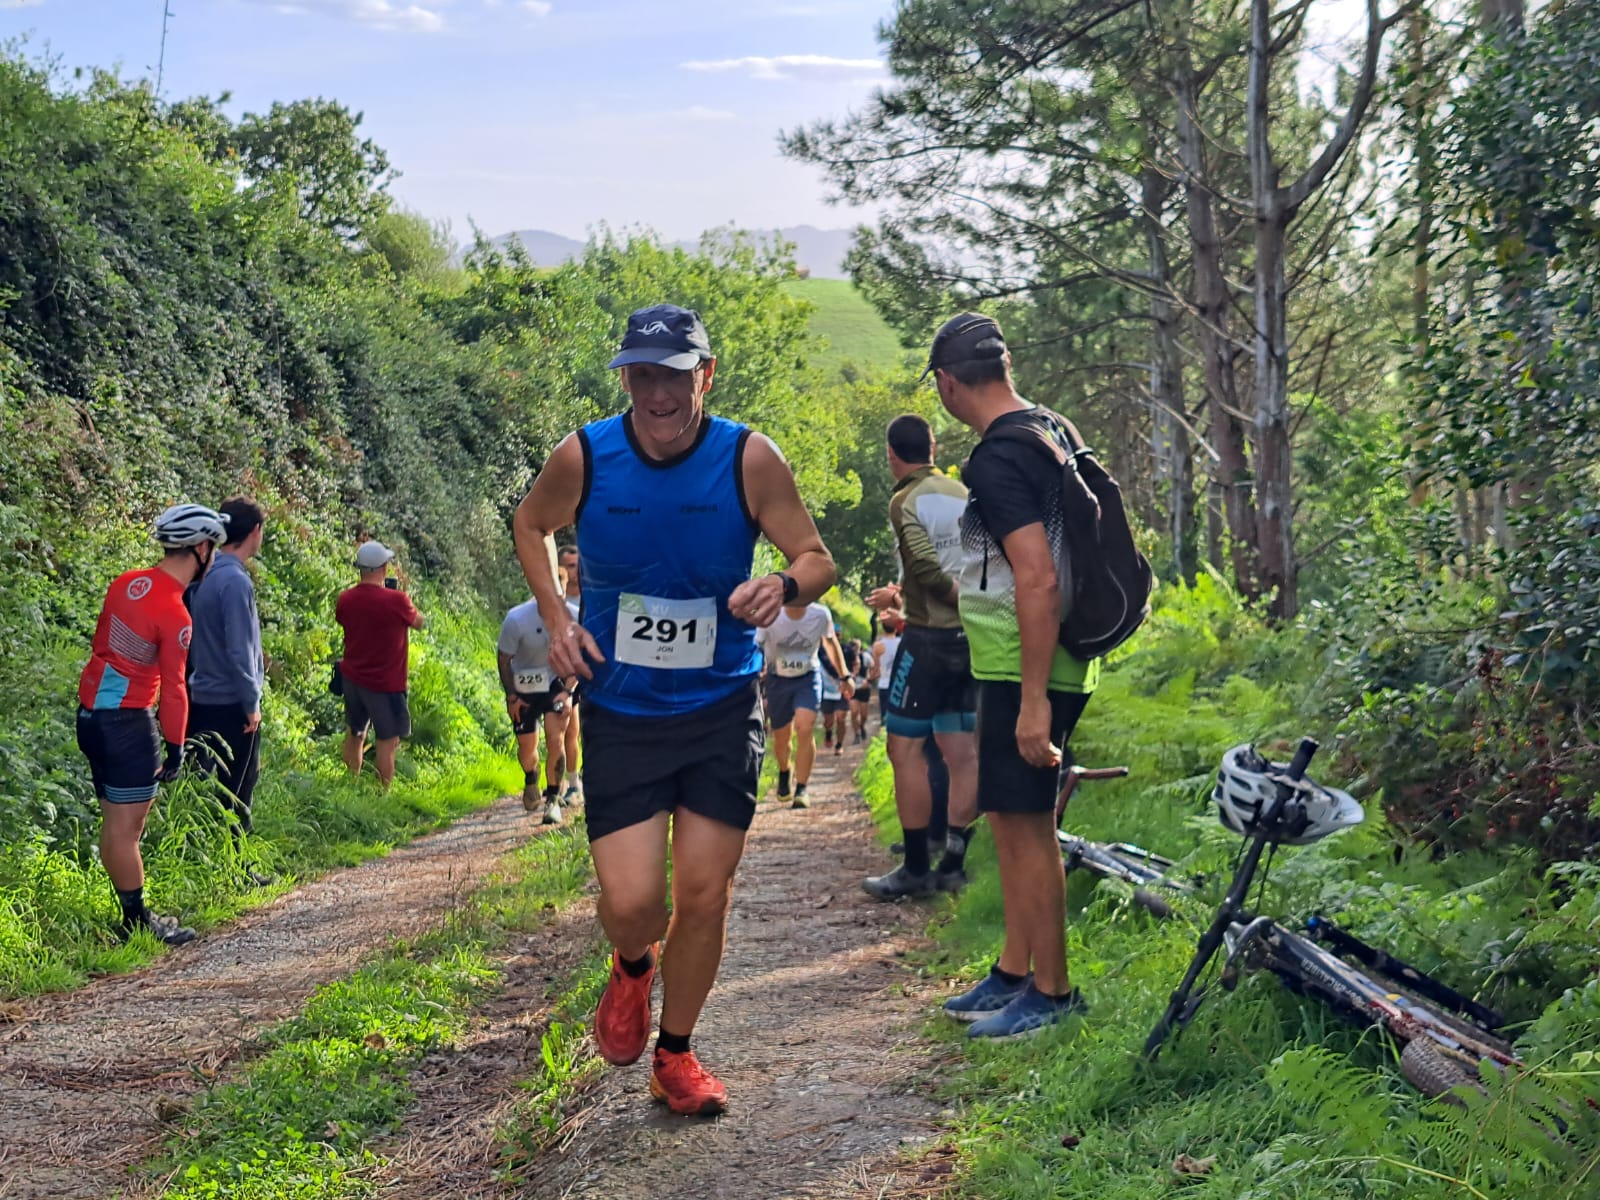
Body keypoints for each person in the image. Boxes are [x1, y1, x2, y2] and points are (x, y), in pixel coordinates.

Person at [511, 303, 837, 1116]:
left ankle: (678, 1053)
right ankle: (630, 967)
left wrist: (784, 584)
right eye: (642, 374)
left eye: (675, 374)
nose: (658, 393)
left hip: (721, 707)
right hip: (620, 710)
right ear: (626, 378)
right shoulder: (585, 454)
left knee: (703, 892)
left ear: (707, 375)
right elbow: (532, 523)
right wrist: (556, 616)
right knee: (632, 906)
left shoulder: (748, 458)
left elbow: (816, 556)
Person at [927, 313, 1101, 1039]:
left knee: (1030, 829)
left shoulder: (998, 458)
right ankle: (1013, 970)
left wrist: (1032, 702)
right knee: (1010, 818)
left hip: (1027, 667)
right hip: (1049, 660)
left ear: (944, 384)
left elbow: (1036, 579)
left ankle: (1053, 993)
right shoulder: (1052, 428)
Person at [77, 504, 228, 945]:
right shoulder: (176, 613)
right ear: (201, 548)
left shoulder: (125, 582)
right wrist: (177, 744)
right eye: (213, 548)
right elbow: (176, 687)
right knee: (129, 831)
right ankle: (137, 921)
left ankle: (130, 914)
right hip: (127, 722)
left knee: (114, 823)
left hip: (90, 717)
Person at [863, 413, 979, 899]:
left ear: (893, 456)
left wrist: (948, 598)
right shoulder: (962, 493)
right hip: (973, 640)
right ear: (932, 447)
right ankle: (953, 863)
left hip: (929, 638)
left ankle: (914, 869)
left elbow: (926, 567)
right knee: (960, 752)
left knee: (904, 748)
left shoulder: (904, 499)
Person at [186, 496, 269, 882]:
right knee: (237, 788)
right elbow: (241, 648)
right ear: (254, 532)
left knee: (212, 785)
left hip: (202, 696)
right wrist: (251, 702)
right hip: (232, 702)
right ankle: (236, 870)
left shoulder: (205, 575)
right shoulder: (235, 580)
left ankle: (214, 864)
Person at [335, 541, 425, 787]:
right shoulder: (397, 601)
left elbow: (344, 620)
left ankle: (350, 785)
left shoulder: (345, 599)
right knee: (388, 741)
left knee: (355, 733)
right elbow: (419, 622)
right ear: (384, 568)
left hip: (353, 678)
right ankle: (382, 795)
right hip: (386, 684)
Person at [757, 598, 848, 807]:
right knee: (781, 738)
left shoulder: (820, 614)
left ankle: (802, 788)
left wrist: (844, 675)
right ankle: (784, 770)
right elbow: (757, 645)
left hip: (807, 677)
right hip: (777, 679)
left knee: (805, 727)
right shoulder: (770, 614)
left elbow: (831, 642)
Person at [498, 587, 572, 825]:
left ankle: (552, 798)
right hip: (524, 687)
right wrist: (511, 696)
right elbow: (504, 659)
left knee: (555, 739)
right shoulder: (517, 619)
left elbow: (583, 656)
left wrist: (568, 691)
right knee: (527, 748)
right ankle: (531, 775)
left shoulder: (574, 615)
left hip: (555, 684)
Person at [557, 543, 584, 807]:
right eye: (568, 566)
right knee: (570, 727)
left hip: (591, 666)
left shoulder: (591, 596)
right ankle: (570, 783)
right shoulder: (555, 601)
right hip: (565, 670)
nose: (572, 572)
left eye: (575, 565)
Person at [818, 625, 850, 754]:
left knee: (841, 718)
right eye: (833, 634)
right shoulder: (819, 652)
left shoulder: (845, 651)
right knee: (828, 720)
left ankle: (839, 745)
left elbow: (853, 666)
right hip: (826, 691)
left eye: (837, 634)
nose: (835, 637)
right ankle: (828, 732)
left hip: (842, 689)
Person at [845, 637, 872, 745]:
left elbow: (873, 668)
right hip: (853, 688)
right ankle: (856, 734)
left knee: (864, 714)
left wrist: (868, 680)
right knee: (854, 712)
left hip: (864, 688)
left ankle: (862, 726)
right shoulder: (846, 658)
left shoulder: (866, 657)